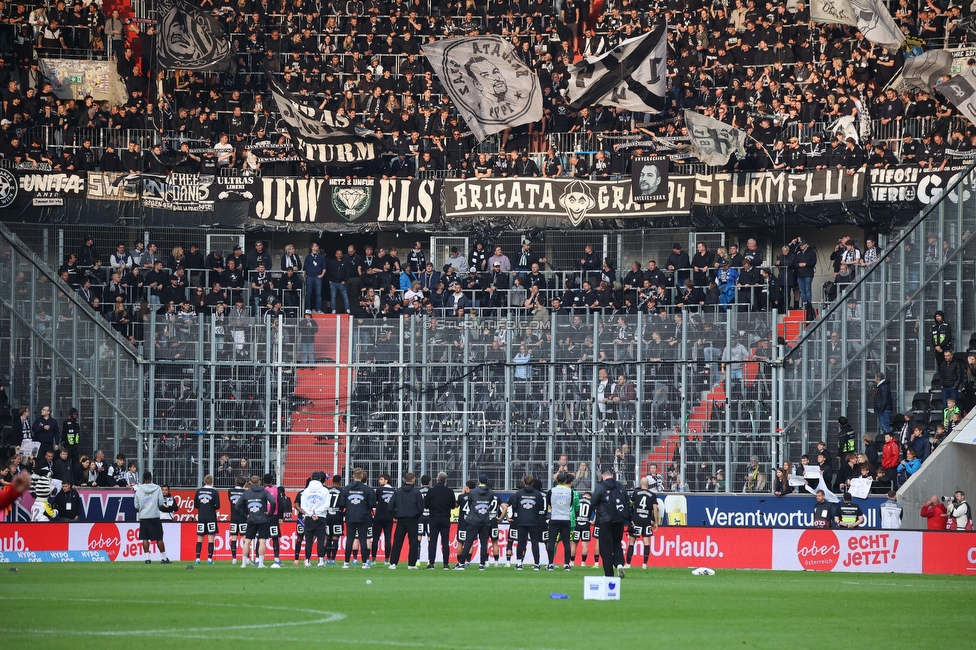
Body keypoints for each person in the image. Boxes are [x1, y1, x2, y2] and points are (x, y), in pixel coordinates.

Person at [592, 468, 629, 578]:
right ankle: (619, 564)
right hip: (619, 520)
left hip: (605, 520)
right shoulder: (620, 486)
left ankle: (609, 573)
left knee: (605, 547)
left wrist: (597, 509)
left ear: (603, 476)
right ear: (612, 475)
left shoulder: (601, 486)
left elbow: (593, 501)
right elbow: (627, 502)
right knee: (617, 543)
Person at [457, 474, 496, 571]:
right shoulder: (490, 493)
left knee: (469, 542)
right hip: (485, 520)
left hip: (473, 520)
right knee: (484, 543)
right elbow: (490, 503)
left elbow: (469, 503)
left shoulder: (473, 492)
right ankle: (482, 564)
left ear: (478, 481)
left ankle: (461, 563)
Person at [388, 472, 425, 570]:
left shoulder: (398, 492)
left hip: (401, 519)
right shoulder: (416, 492)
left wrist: (395, 515)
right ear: (413, 480)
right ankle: (411, 564)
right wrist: (416, 515)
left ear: (405, 479)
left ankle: (393, 563)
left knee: (397, 542)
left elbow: (390, 506)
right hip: (413, 519)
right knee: (413, 542)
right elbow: (421, 507)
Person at [340, 467, 376, 568]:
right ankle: (364, 563)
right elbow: (372, 504)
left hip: (350, 516)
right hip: (363, 516)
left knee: (350, 539)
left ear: (352, 476)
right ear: (361, 476)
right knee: (363, 539)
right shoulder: (367, 489)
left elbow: (342, 504)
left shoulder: (347, 488)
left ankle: (346, 562)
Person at [510, 474, 546, 570]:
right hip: (534, 521)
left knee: (521, 542)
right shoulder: (538, 494)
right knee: (535, 542)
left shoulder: (518, 493)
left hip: (521, 521)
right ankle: (537, 564)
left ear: (524, 483)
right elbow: (541, 508)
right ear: (533, 483)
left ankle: (519, 563)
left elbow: (514, 506)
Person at [134, 471, 171, 564]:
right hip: (154, 516)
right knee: (159, 538)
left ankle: (147, 558)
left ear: (143, 479)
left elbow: (136, 505)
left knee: (145, 538)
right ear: (151, 478)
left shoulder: (139, 490)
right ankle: (163, 558)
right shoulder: (157, 488)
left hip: (144, 516)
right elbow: (161, 503)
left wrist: (143, 509)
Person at [237, 475, 272, 568]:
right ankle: (260, 564)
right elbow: (273, 501)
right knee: (262, 541)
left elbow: (237, 506)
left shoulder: (246, 493)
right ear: (260, 482)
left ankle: (243, 564)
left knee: (247, 541)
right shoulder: (264, 492)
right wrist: (269, 513)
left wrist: (246, 514)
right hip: (262, 519)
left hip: (251, 519)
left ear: (250, 483)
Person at [546, 471, 578, 572]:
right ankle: (566, 564)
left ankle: (550, 563)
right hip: (565, 519)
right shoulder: (571, 492)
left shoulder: (551, 491)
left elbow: (548, 503)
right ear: (565, 481)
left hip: (554, 518)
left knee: (551, 542)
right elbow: (571, 504)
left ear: (556, 480)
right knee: (566, 543)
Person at [299, 471, 331, 567]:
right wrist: (317, 512)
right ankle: (320, 561)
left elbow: (303, 506)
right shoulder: (325, 490)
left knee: (309, 540)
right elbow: (327, 505)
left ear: (312, 478)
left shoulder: (306, 491)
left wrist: (311, 513)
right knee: (321, 539)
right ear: (320, 479)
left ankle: (307, 560)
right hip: (321, 517)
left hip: (309, 517)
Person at [425, 471, 456, 570]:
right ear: (446, 480)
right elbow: (452, 506)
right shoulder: (450, 491)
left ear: (437, 480)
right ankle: (446, 564)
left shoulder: (431, 491)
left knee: (433, 541)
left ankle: (431, 563)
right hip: (445, 518)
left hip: (433, 518)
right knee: (445, 541)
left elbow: (426, 505)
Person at [626, 477, 658, 569]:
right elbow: (655, 510)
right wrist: (655, 522)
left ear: (640, 485)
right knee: (646, 542)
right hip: (646, 520)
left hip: (636, 520)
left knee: (632, 542)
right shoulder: (652, 495)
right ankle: (644, 564)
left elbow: (630, 504)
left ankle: (628, 564)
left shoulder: (636, 493)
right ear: (648, 485)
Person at [194, 474, 221, 564]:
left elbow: (196, 505)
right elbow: (217, 506)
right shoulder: (214, 492)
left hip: (201, 517)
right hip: (211, 517)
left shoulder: (198, 491)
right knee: (211, 539)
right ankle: (209, 559)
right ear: (212, 481)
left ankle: (197, 558)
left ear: (204, 481)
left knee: (199, 539)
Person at [371, 473, 395, 564]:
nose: (379, 481)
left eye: (381, 479)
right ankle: (387, 560)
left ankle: (373, 559)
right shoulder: (394, 491)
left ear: (386, 480)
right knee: (388, 538)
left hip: (379, 517)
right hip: (389, 517)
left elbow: (375, 502)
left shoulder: (379, 490)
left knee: (376, 538)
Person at [227, 476, 247, 565]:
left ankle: (234, 558)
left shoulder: (230, 491)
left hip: (234, 518)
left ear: (236, 482)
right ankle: (246, 558)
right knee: (245, 538)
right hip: (243, 518)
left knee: (234, 537)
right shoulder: (245, 493)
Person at [325, 475, 344, 564]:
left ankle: (328, 558)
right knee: (335, 537)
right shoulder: (342, 491)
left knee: (328, 537)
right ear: (340, 481)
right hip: (337, 515)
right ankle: (333, 559)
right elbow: (343, 503)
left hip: (327, 515)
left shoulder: (327, 490)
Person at [572, 490, 595, 567]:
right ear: (590, 497)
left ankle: (571, 562)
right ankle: (583, 562)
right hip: (586, 524)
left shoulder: (577, 501)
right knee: (584, 544)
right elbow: (597, 512)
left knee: (574, 544)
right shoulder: (591, 502)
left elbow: (572, 511)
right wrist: (593, 521)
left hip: (577, 523)